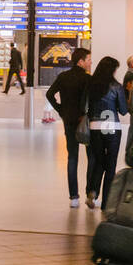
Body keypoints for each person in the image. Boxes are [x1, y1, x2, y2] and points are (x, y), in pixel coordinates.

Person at [46, 47, 92, 208]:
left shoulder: (63, 77)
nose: (90, 62)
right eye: (88, 59)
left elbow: (49, 94)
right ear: (81, 61)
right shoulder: (88, 79)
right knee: (91, 157)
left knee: (72, 157)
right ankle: (90, 194)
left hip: (69, 121)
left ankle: (74, 197)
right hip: (85, 122)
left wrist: (60, 110)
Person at [83, 56, 128, 209]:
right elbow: (123, 110)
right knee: (111, 164)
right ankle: (106, 202)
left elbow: (84, 106)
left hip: (95, 127)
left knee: (99, 162)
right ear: (112, 70)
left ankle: (93, 191)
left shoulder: (90, 85)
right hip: (112, 128)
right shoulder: (116, 86)